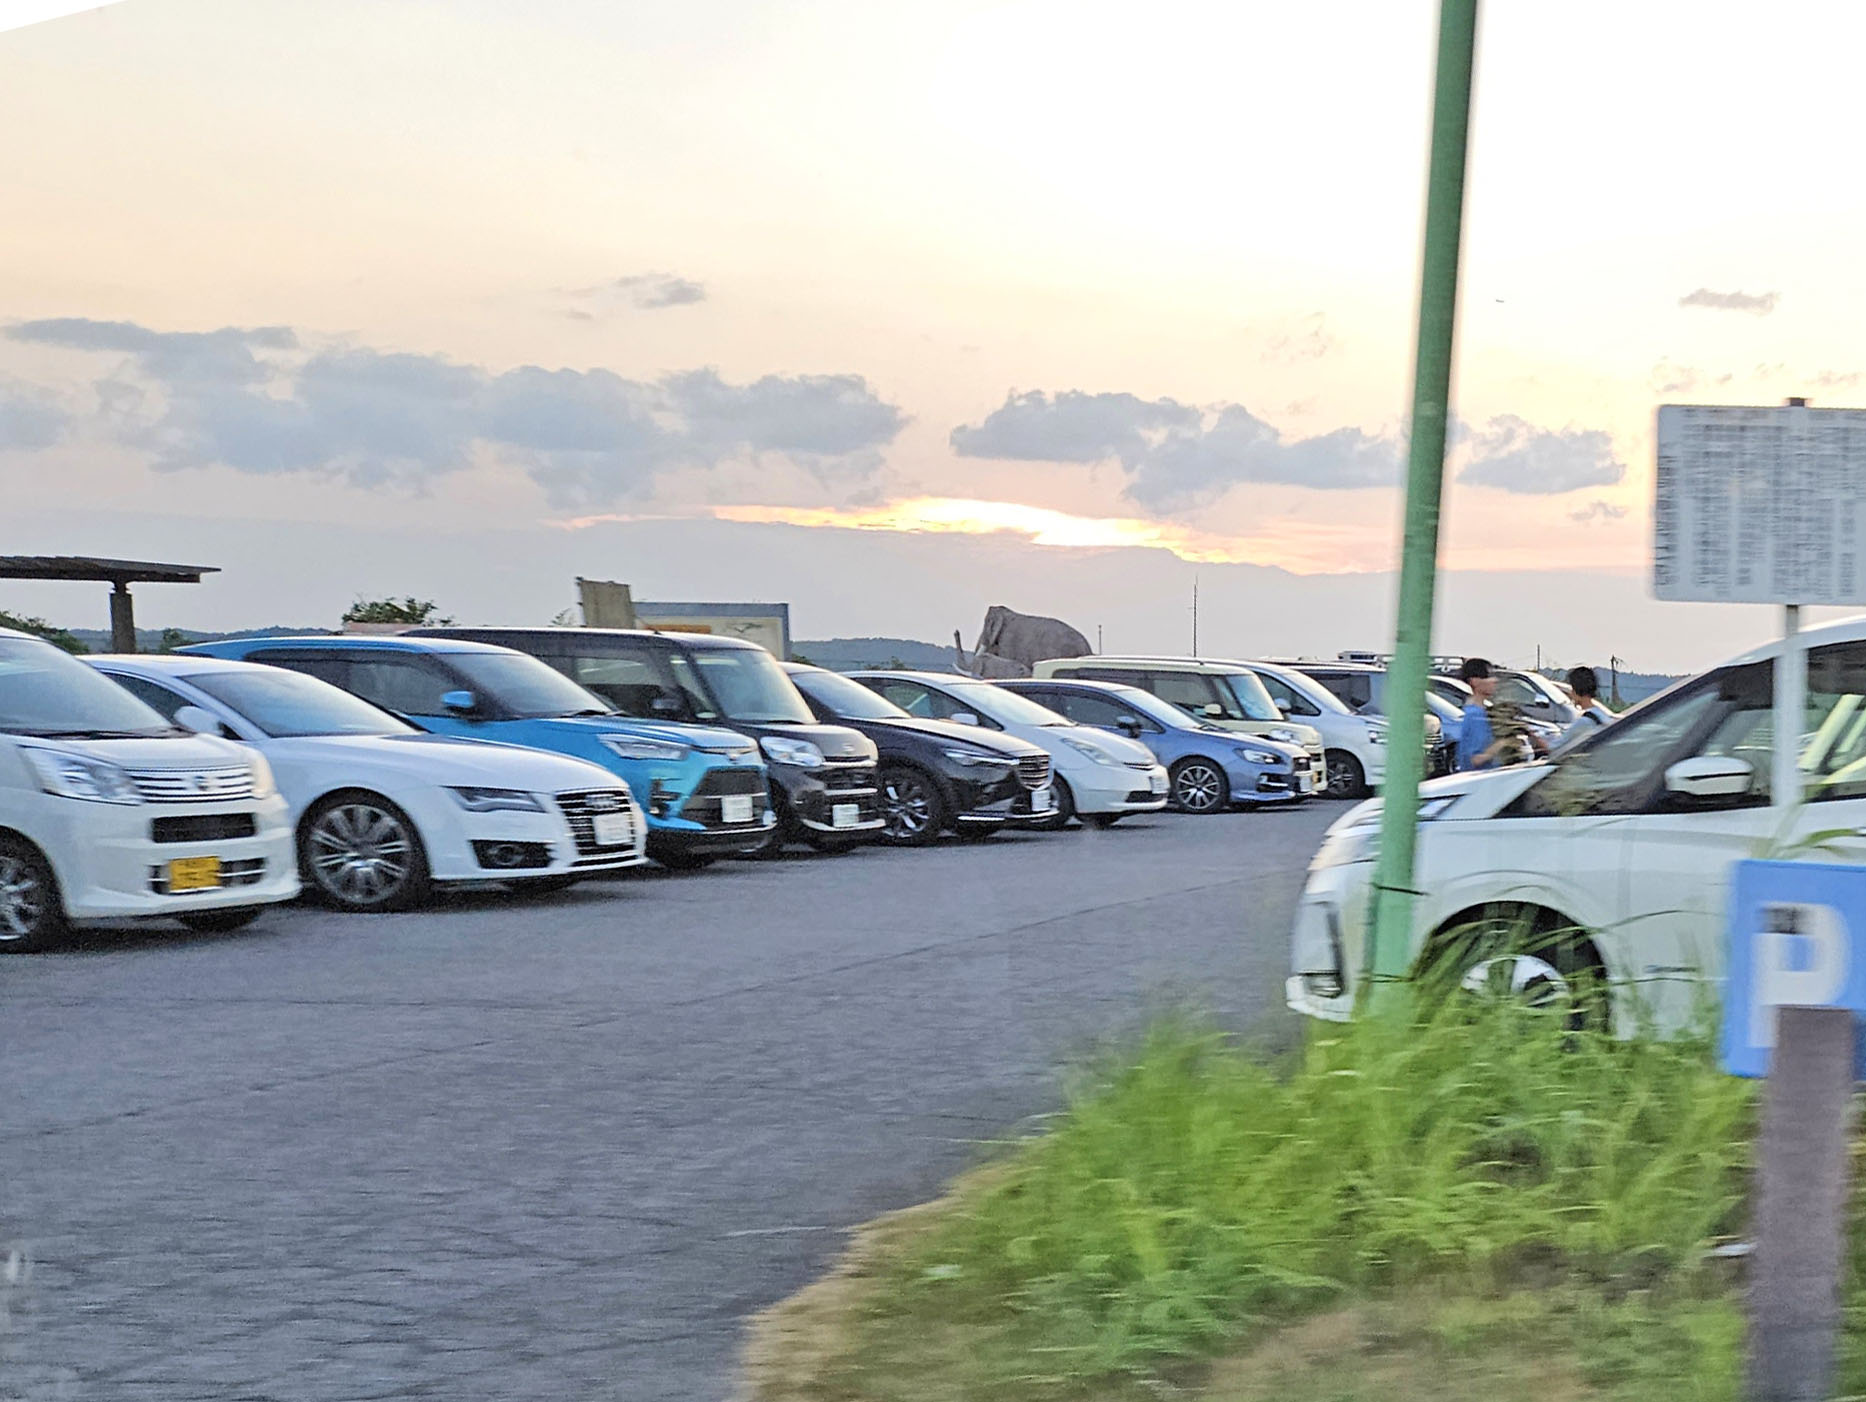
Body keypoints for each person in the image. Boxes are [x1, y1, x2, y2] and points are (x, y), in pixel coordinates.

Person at [1455, 657, 1501, 771]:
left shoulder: (1481, 711)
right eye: (1488, 676)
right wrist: (1503, 744)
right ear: (1474, 681)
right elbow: (1475, 759)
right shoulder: (1475, 715)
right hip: (1479, 784)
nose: (1495, 680)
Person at [1555, 665, 1614, 751]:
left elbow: (1554, 746)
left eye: (1572, 689)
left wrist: (1532, 734)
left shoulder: (1584, 721)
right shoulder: (1602, 714)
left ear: (1576, 691)